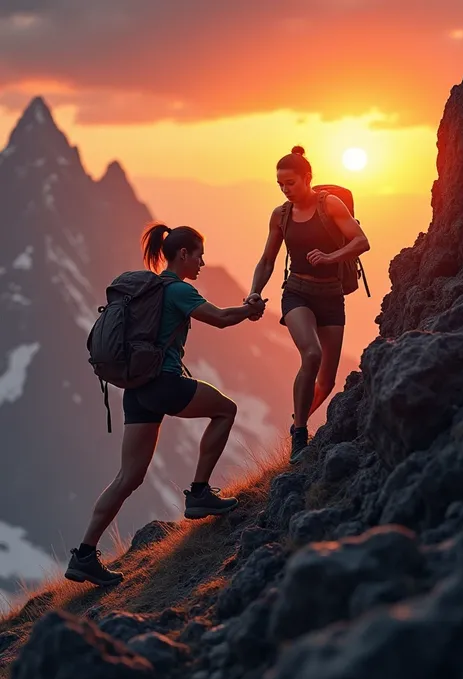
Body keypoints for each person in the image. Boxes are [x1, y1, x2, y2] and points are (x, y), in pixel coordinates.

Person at [65, 223, 267, 586]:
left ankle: (83, 556)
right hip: (163, 383)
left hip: (137, 387)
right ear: (183, 254)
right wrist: (248, 310)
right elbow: (220, 319)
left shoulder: (148, 289)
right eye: (199, 255)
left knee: (128, 477)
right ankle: (201, 494)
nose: (203, 262)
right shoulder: (177, 290)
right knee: (226, 410)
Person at [245, 146, 370, 464]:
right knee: (311, 354)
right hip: (296, 292)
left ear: (307, 178)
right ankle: (299, 434)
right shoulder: (281, 215)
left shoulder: (330, 205)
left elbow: (361, 241)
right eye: (281, 185)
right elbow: (268, 259)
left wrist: (331, 257)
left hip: (331, 295)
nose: (286, 190)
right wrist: (254, 291)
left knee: (326, 380)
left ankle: (297, 416)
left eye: (291, 183)